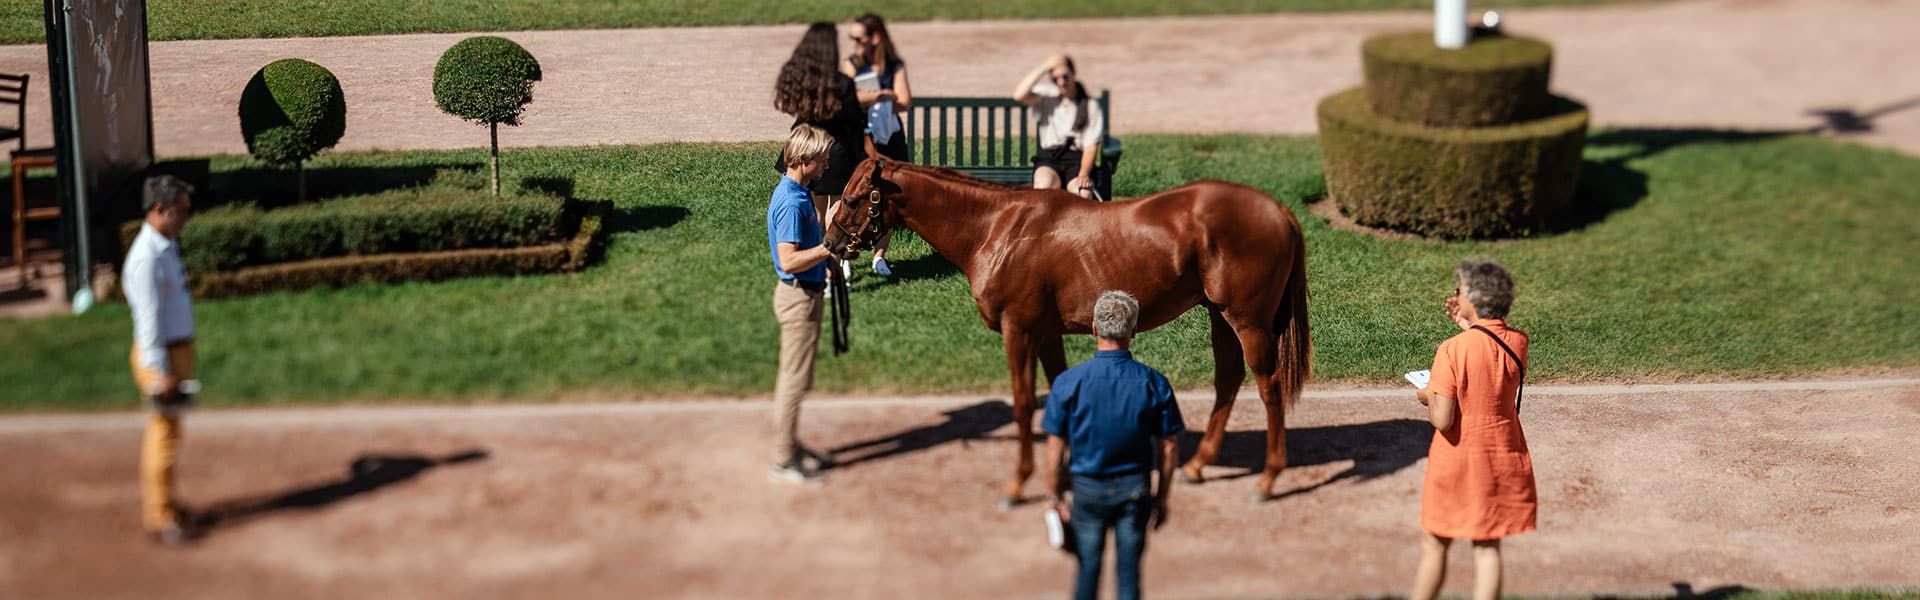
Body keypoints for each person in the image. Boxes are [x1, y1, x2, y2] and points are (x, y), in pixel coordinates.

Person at [1042, 291, 1184, 600]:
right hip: (1135, 490)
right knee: (1129, 574)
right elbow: (1169, 447)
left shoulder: (1067, 383)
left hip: (1086, 490)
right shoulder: (1154, 382)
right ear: (1134, 331)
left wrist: (1054, 495)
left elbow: (1054, 447)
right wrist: (1162, 498)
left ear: (1094, 329)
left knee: (1087, 569)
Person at [1410, 259, 1537, 600]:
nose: (1455, 295)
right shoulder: (1519, 342)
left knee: (1435, 542)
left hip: (1457, 461)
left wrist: (1427, 394)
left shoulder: (1451, 350)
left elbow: (1442, 419)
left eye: (1459, 290)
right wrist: (1470, 325)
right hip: (1500, 457)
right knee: (1487, 546)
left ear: (1475, 298)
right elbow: (1489, 351)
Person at [122, 174, 199, 544]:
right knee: (163, 436)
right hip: (162, 356)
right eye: (181, 211)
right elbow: (148, 321)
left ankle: (167, 502)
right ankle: (160, 516)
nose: (185, 217)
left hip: (176, 350)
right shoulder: (146, 259)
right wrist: (160, 371)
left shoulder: (165, 245)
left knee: (171, 433)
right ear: (160, 209)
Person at [766, 124, 841, 484]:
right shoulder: (792, 203)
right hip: (798, 299)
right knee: (793, 383)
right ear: (801, 160)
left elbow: (803, 252)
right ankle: (783, 460)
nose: (827, 165)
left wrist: (823, 264)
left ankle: (791, 445)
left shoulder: (799, 192)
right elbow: (788, 260)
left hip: (807, 293)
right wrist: (827, 250)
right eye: (823, 160)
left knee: (800, 378)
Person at [775, 21, 869, 284]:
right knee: (836, 207)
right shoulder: (840, 83)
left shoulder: (796, 77)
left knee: (813, 209)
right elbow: (855, 120)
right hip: (835, 149)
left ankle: (811, 262)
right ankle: (836, 264)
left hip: (805, 144)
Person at [839, 12, 912, 277]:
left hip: (888, 137)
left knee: (889, 195)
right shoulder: (851, 65)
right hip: (859, 136)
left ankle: (879, 256)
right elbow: (845, 97)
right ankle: (845, 255)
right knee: (852, 194)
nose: (854, 43)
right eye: (852, 38)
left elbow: (904, 101)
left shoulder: (893, 66)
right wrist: (880, 95)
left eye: (858, 38)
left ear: (875, 38)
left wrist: (879, 98)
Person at [1014, 53, 1107, 200]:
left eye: (1065, 77)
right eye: (1055, 79)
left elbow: (1091, 146)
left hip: (1077, 160)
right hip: (1050, 158)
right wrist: (1044, 67)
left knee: (1083, 193)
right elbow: (1019, 95)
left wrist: (1083, 174)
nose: (1061, 82)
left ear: (1073, 74)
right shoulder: (1046, 97)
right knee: (1043, 188)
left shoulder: (1089, 105)